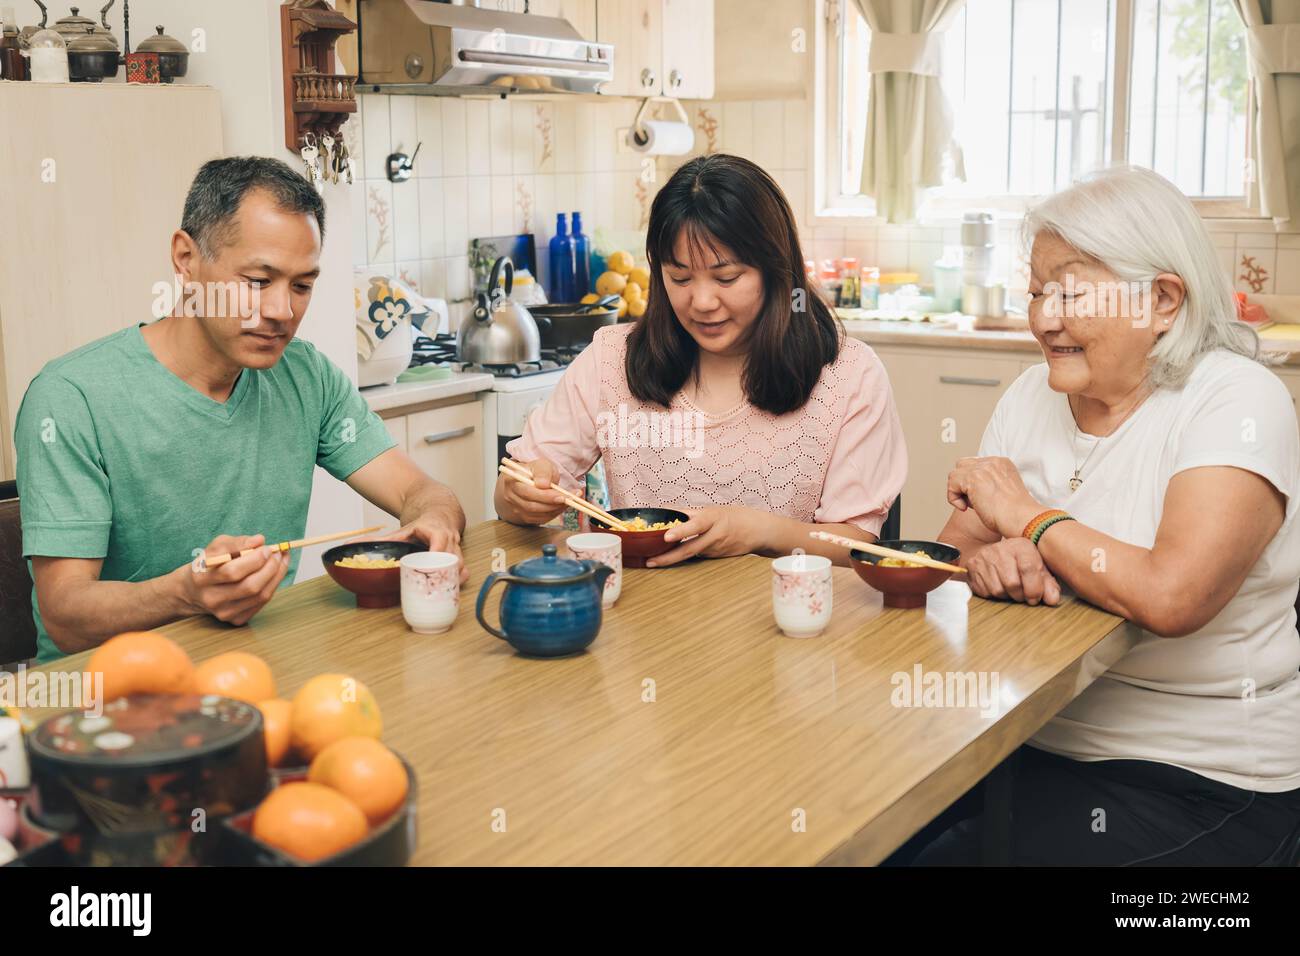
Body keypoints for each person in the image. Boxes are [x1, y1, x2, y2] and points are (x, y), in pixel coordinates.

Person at [901, 166, 1300, 865]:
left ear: (1164, 301)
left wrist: (1029, 521)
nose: (1043, 317)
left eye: (1071, 292)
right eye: (1036, 292)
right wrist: (986, 562)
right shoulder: (1032, 393)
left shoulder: (1238, 400)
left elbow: (1173, 596)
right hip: (1023, 739)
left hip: (1199, 776)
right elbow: (949, 555)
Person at [16, 157, 467, 663]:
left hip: (252, 675)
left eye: (301, 286)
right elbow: (65, 612)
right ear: (186, 259)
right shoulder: (71, 397)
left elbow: (421, 491)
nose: (280, 312)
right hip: (105, 699)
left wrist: (434, 519)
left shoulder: (305, 376)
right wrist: (184, 592)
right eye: (257, 280)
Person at [496, 154, 906, 566]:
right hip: (642, 614)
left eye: (726, 278)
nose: (703, 302)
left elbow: (857, 544)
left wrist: (761, 532)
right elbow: (512, 492)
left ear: (776, 269)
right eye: (680, 278)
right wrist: (523, 497)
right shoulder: (611, 359)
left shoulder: (848, 373)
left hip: (785, 616)